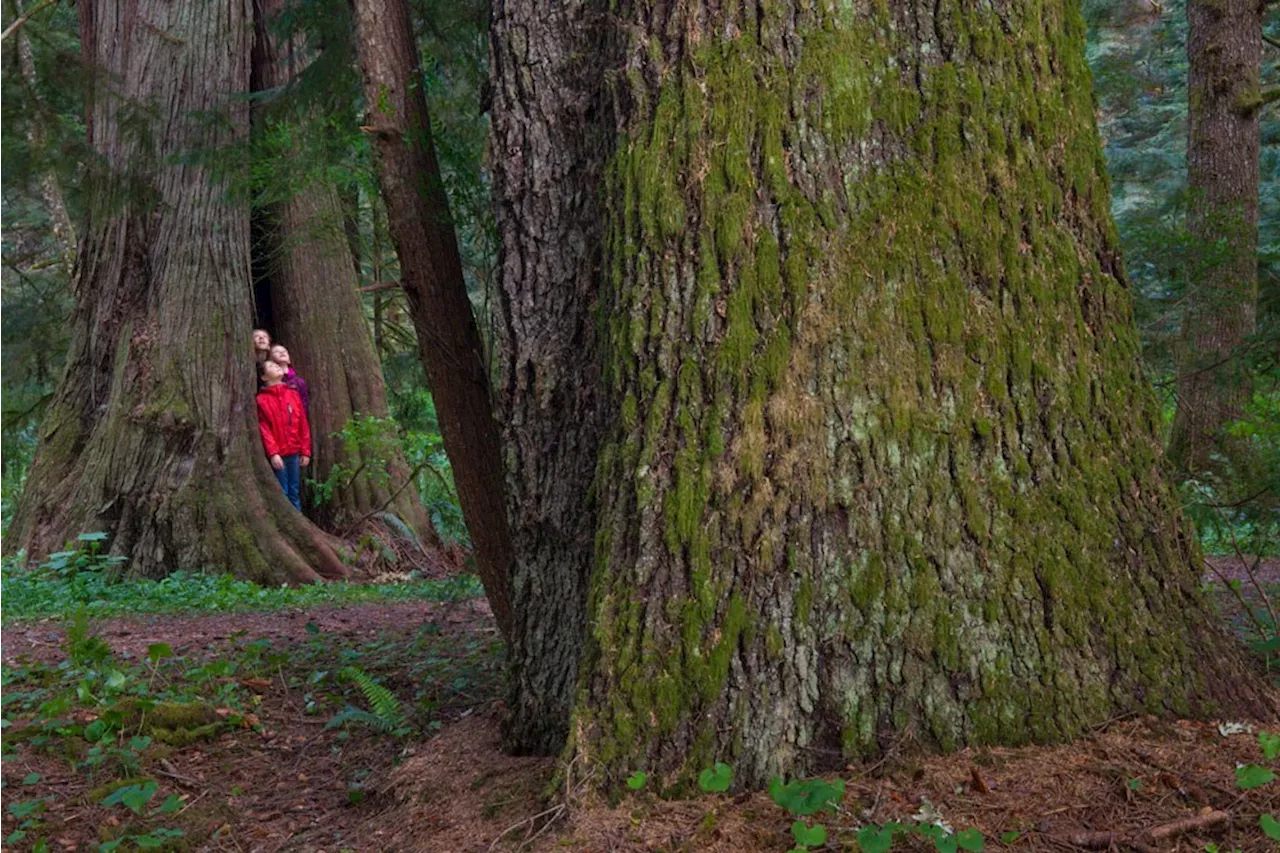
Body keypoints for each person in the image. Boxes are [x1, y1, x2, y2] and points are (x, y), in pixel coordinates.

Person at [257, 359, 310, 511]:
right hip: (278, 455)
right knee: (282, 493)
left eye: (277, 365)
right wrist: (273, 453)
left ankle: (299, 523)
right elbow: (264, 428)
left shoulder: (293, 394)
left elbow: (303, 424)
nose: (277, 367)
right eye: (271, 366)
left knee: (294, 492)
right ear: (264, 377)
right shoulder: (261, 400)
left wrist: (305, 451)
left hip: (294, 452)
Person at [269, 344, 310, 411]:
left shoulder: (299, 382)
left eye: (284, 351)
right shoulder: (271, 381)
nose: (281, 352)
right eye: (276, 351)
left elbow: (303, 405)